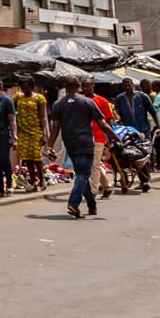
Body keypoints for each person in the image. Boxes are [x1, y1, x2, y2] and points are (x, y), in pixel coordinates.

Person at [48, 76, 120, 219]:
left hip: (70, 144)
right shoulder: (87, 102)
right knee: (83, 174)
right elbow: (103, 124)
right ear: (78, 86)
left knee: (82, 173)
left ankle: (92, 206)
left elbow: (55, 128)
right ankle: (73, 203)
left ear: (65, 87)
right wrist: (117, 139)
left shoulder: (57, 104)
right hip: (85, 143)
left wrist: (49, 147)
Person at [111, 79, 156, 193]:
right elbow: (115, 110)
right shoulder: (120, 98)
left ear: (133, 85)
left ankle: (144, 181)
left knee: (142, 155)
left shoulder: (142, 96)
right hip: (127, 132)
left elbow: (152, 111)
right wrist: (117, 117)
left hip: (142, 131)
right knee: (125, 154)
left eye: (129, 85)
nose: (127, 88)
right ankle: (124, 177)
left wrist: (159, 126)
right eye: (125, 86)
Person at [12, 76, 49, 192]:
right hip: (22, 131)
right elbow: (12, 112)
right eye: (22, 87)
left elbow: (43, 117)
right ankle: (33, 181)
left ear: (32, 87)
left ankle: (42, 179)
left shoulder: (39, 98)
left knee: (37, 156)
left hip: (35, 131)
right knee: (27, 158)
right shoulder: (17, 97)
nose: (24, 89)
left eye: (26, 87)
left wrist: (44, 133)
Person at [81, 79, 116, 200]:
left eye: (87, 86)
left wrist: (111, 137)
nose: (85, 89)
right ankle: (107, 186)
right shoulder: (81, 100)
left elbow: (109, 119)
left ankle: (93, 191)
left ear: (93, 86)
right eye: (83, 86)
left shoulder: (102, 101)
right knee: (92, 164)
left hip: (98, 137)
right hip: (84, 137)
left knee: (94, 165)